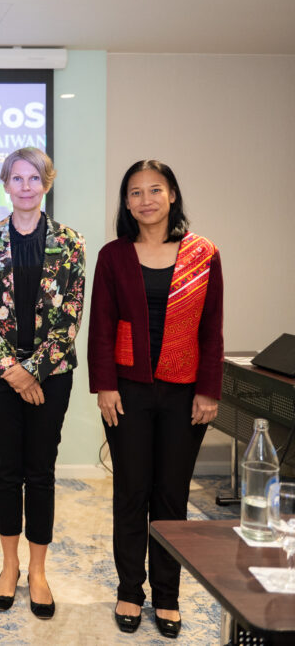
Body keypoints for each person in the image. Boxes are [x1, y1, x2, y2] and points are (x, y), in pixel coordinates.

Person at [88, 160, 223, 639]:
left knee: (171, 495)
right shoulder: (113, 256)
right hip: (127, 390)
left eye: (155, 190)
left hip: (185, 392)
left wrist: (209, 389)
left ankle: (168, 595)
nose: (145, 200)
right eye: (135, 192)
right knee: (131, 492)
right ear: (126, 203)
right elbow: (101, 326)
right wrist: (105, 386)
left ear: (172, 195)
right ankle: (130, 589)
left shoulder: (203, 253)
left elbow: (212, 327)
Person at [0, 148, 85, 621]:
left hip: (51, 377)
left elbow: (70, 316)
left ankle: (37, 571)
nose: (26, 187)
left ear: (47, 184)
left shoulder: (71, 243)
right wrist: (12, 372)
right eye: (17, 178)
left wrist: (32, 370)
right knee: (6, 471)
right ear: (6, 185)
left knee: (40, 472)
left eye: (34, 178)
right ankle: (9, 566)